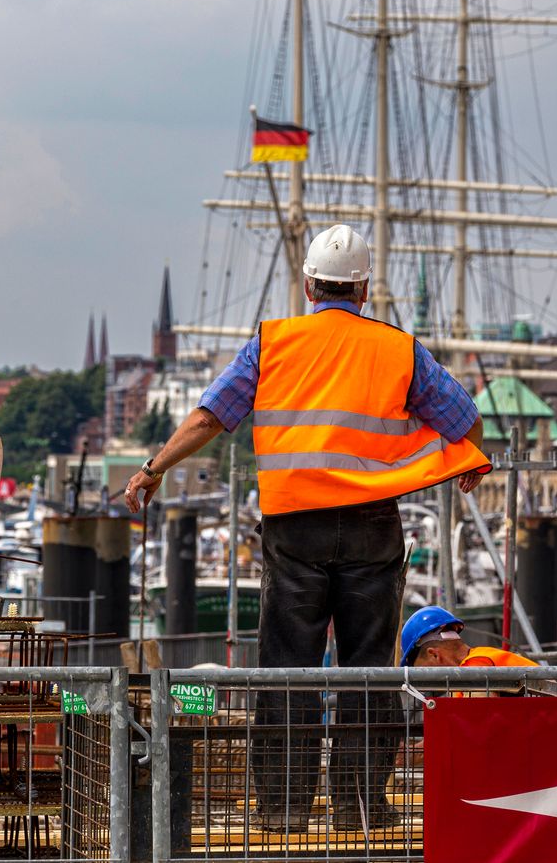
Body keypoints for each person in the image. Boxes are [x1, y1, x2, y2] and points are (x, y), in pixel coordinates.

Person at [124, 224, 490, 833]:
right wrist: (455, 463)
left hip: (294, 525)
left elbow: (212, 414)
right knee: (368, 668)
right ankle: (358, 807)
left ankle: (284, 808)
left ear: (309, 284)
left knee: (287, 665)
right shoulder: (399, 350)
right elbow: (464, 420)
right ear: (365, 289)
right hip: (374, 525)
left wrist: (152, 467)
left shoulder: (275, 342)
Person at [400, 605, 538, 669]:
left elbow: (478, 723)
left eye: (423, 671)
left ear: (434, 655)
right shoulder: (483, 656)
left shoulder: (474, 668)